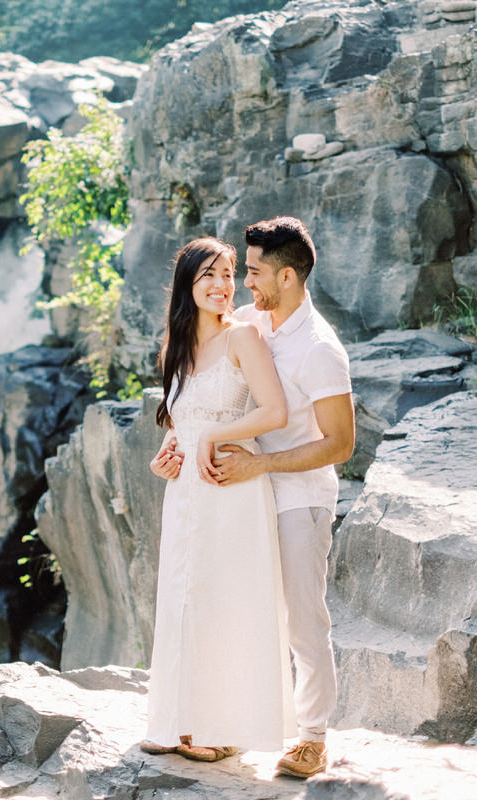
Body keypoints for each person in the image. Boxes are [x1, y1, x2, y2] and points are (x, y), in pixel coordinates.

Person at [140, 236, 296, 763]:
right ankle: (177, 720)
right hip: (186, 494)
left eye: (229, 274)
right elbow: (181, 420)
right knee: (183, 598)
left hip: (231, 488)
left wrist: (211, 437)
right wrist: (167, 455)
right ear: (188, 283)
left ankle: (221, 726)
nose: (222, 285)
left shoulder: (243, 339)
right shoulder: (177, 348)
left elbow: (275, 411)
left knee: (223, 600)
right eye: (209, 274)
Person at [212, 216, 355, 779]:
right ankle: (239, 725)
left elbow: (340, 444)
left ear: (289, 276)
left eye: (254, 272)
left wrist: (259, 464)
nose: (245, 282)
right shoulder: (254, 321)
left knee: (302, 621)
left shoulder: (320, 349)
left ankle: (314, 739)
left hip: (300, 499)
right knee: (247, 614)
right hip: (248, 496)